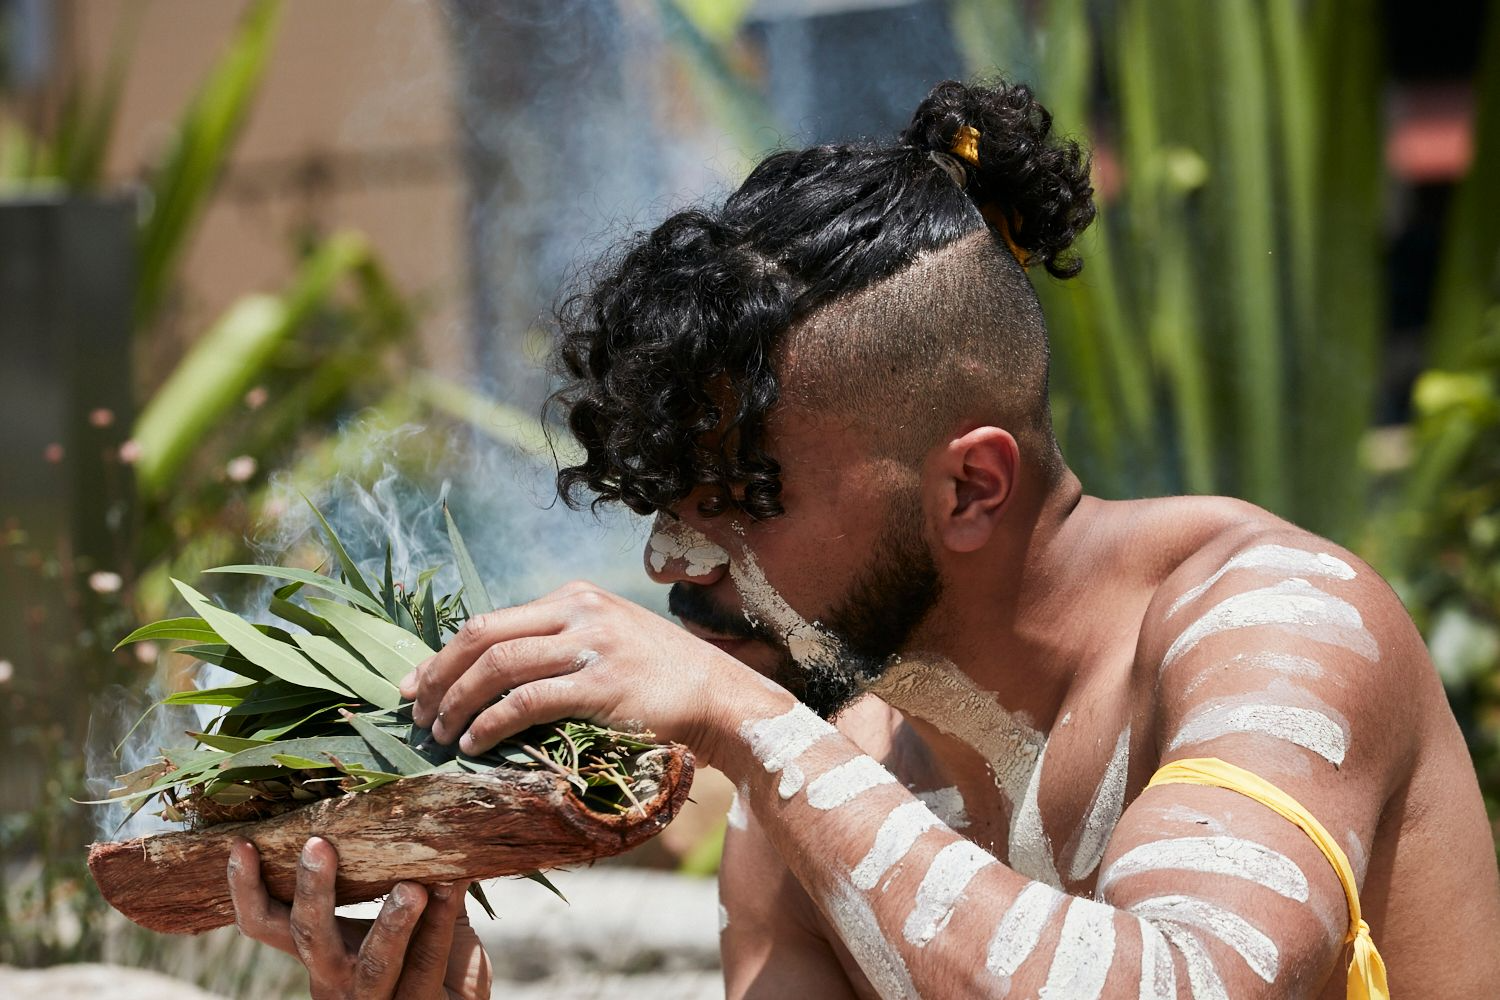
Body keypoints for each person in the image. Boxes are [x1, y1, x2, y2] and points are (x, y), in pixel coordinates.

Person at [226, 79, 1500, 998]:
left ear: (970, 489)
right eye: (674, 495)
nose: (672, 555)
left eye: (744, 493)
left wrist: (758, 732)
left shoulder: (1276, 626)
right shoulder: (831, 782)